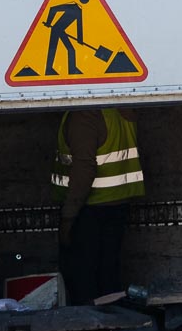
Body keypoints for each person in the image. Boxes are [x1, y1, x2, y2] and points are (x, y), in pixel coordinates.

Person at [51, 107, 145, 303]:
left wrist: (68, 217)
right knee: (107, 276)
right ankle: (111, 325)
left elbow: (84, 169)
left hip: (88, 209)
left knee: (82, 280)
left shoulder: (84, 115)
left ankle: (89, 328)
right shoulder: (119, 110)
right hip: (116, 205)